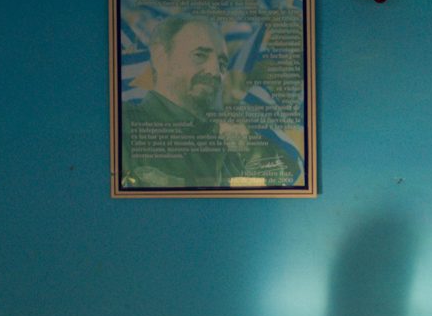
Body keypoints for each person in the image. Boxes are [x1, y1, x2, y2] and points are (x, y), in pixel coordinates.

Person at [120, 15, 301, 189]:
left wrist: (248, 145)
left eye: (222, 64)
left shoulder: (225, 136)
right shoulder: (125, 126)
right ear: (160, 57)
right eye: (199, 55)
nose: (215, 72)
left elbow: (287, 175)